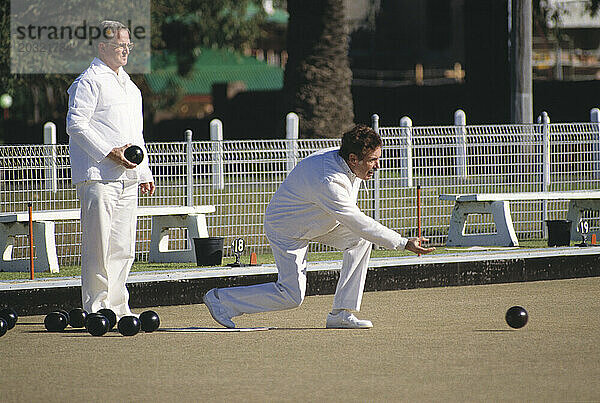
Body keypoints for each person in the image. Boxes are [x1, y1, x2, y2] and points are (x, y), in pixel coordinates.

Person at [204, 124, 434, 329]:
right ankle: (221, 300)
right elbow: (356, 220)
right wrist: (403, 242)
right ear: (353, 159)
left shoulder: (348, 165)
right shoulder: (329, 180)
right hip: (287, 229)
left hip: (321, 222)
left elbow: (356, 225)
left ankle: (341, 314)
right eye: (372, 160)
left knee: (360, 240)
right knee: (292, 296)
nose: (377, 165)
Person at [66, 20, 155, 318]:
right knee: (99, 245)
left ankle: (117, 306)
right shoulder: (88, 81)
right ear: (102, 47)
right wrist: (110, 152)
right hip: (98, 177)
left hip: (128, 178)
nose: (126, 50)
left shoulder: (129, 86)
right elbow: (76, 125)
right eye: (120, 45)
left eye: (128, 45)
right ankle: (96, 307)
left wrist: (144, 172)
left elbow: (136, 134)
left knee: (123, 246)